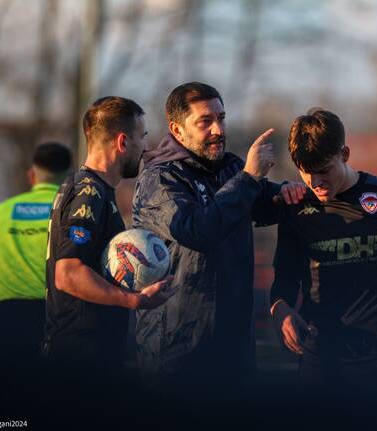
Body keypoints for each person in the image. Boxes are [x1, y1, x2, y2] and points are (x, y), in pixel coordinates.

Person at [132, 82, 305, 392]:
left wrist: (286, 193)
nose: (218, 129)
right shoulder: (160, 178)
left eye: (221, 118)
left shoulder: (230, 169)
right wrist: (250, 177)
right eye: (205, 121)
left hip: (233, 348)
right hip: (177, 353)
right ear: (177, 129)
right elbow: (199, 230)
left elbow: (264, 203)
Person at [269, 109, 377, 417]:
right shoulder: (295, 205)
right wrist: (280, 307)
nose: (316, 182)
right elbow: (284, 275)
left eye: (324, 169)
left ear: (345, 153)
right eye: (306, 172)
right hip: (320, 360)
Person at [43, 96, 173, 374]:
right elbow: (68, 273)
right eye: (143, 138)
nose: (145, 147)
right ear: (123, 142)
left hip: (88, 354)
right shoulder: (89, 195)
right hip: (80, 359)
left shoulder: (89, 188)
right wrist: (134, 300)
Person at [0, 142, 72, 365]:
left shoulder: (1, 212)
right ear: (67, 177)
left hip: (7, 322)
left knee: (4, 397)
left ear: (31, 175)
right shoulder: (72, 210)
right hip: (58, 322)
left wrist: (7, 292)